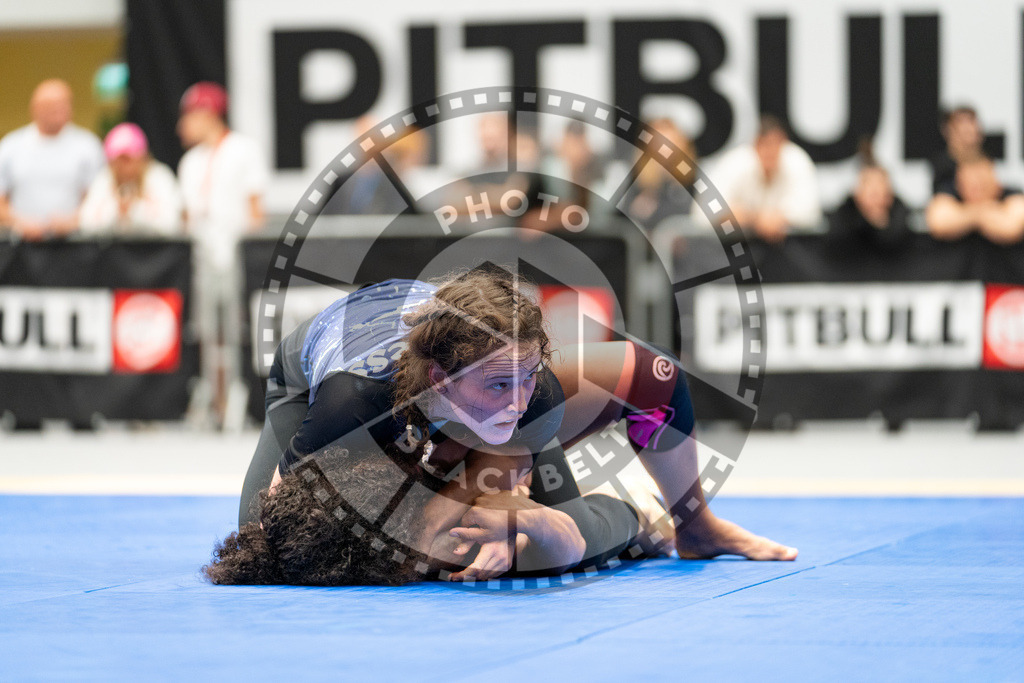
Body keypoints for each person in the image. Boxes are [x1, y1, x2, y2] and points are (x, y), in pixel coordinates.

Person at [238, 267, 796, 582]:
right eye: (501, 386)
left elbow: (658, 380)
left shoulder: (530, 391)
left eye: (528, 377)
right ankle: (638, 521)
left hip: (444, 373)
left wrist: (504, 508)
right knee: (278, 547)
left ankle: (687, 530)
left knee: (509, 538)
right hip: (311, 381)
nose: (518, 400)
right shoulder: (349, 402)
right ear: (440, 376)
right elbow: (279, 519)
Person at [176, 81, 268, 427]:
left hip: (234, 255)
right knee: (205, 331)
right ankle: (213, 399)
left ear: (206, 113)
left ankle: (235, 398)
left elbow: (255, 210)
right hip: (202, 256)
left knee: (235, 330)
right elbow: (187, 216)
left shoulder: (243, 150)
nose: (182, 125)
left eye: (188, 116)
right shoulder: (189, 161)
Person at [0, 79, 104, 239]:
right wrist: (19, 222)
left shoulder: (88, 145)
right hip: (21, 245)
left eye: (64, 104)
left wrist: (74, 221)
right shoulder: (11, 146)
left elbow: (100, 197)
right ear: (34, 108)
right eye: (51, 106)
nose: (59, 110)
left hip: (74, 243)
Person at [708, 115, 821, 242]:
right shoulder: (736, 162)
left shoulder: (797, 160)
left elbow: (810, 210)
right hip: (738, 243)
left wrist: (779, 218)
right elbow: (704, 208)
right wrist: (752, 218)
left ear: (784, 144)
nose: (770, 152)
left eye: (775, 145)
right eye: (765, 145)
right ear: (755, 145)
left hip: (789, 244)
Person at [78, 123, 183, 235]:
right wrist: (117, 209)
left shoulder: (160, 177)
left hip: (155, 251)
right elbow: (86, 224)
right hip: (113, 251)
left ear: (142, 158)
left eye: (128, 159)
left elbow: (171, 224)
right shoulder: (104, 178)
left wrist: (135, 210)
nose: (123, 167)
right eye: (118, 160)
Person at [828, 144, 913, 252]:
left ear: (889, 195)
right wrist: (867, 221)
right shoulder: (845, 212)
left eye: (879, 187)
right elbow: (837, 241)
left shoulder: (900, 211)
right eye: (869, 188)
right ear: (857, 193)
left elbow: (894, 241)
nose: (875, 194)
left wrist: (880, 222)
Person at [925, 155, 1024, 245]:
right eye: (971, 184)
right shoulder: (949, 195)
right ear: (959, 184)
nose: (977, 186)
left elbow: (1012, 228)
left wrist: (967, 215)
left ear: (994, 179)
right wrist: (983, 211)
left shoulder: (1012, 195)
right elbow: (938, 224)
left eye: (982, 182)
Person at [622, 117, 697, 231]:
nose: (664, 149)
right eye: (659, 143)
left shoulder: (690, 177)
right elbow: (627, 212)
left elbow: (689, 213)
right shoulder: (638, 177)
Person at [929, 106, 985, 195]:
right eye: (962, 122)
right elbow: (943, 193)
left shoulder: (986, 159)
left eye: (971, 121)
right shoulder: (943, 164)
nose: (968, 127)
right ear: (949, 130)